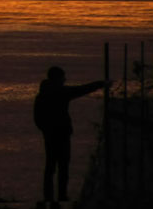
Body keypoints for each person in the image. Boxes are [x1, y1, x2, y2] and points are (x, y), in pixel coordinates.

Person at [33, 66, 109, 203]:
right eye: (63, 77)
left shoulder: (42, 95)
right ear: (57, 78)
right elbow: (81, 89)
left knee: (50, 165)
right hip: (61, 133)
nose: (65, 80)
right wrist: (100, 84)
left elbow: (37, 117)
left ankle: (48, 197)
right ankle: (61, 196)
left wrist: (45, 129)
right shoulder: (61, 92)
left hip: (50, 134)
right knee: (63, 166)